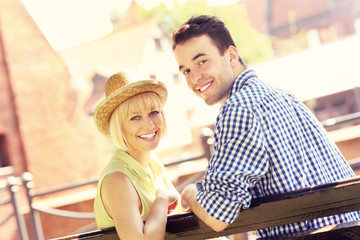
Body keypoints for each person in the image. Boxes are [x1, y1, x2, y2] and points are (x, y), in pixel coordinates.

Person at [171, 15, 360, 238]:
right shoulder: (283, 95)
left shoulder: (238, 108)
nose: (194, 78)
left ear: (231, 55)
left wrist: (190, 193)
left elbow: (217, 214)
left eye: (202, 61)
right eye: (186, 71)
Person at [93, 71, 180, 240]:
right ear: (119, 127)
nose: (149, 124)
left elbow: (179, 211)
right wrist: (161, 199)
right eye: (135, 117)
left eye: (154, 112)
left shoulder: (152, 162)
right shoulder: (117, 180)